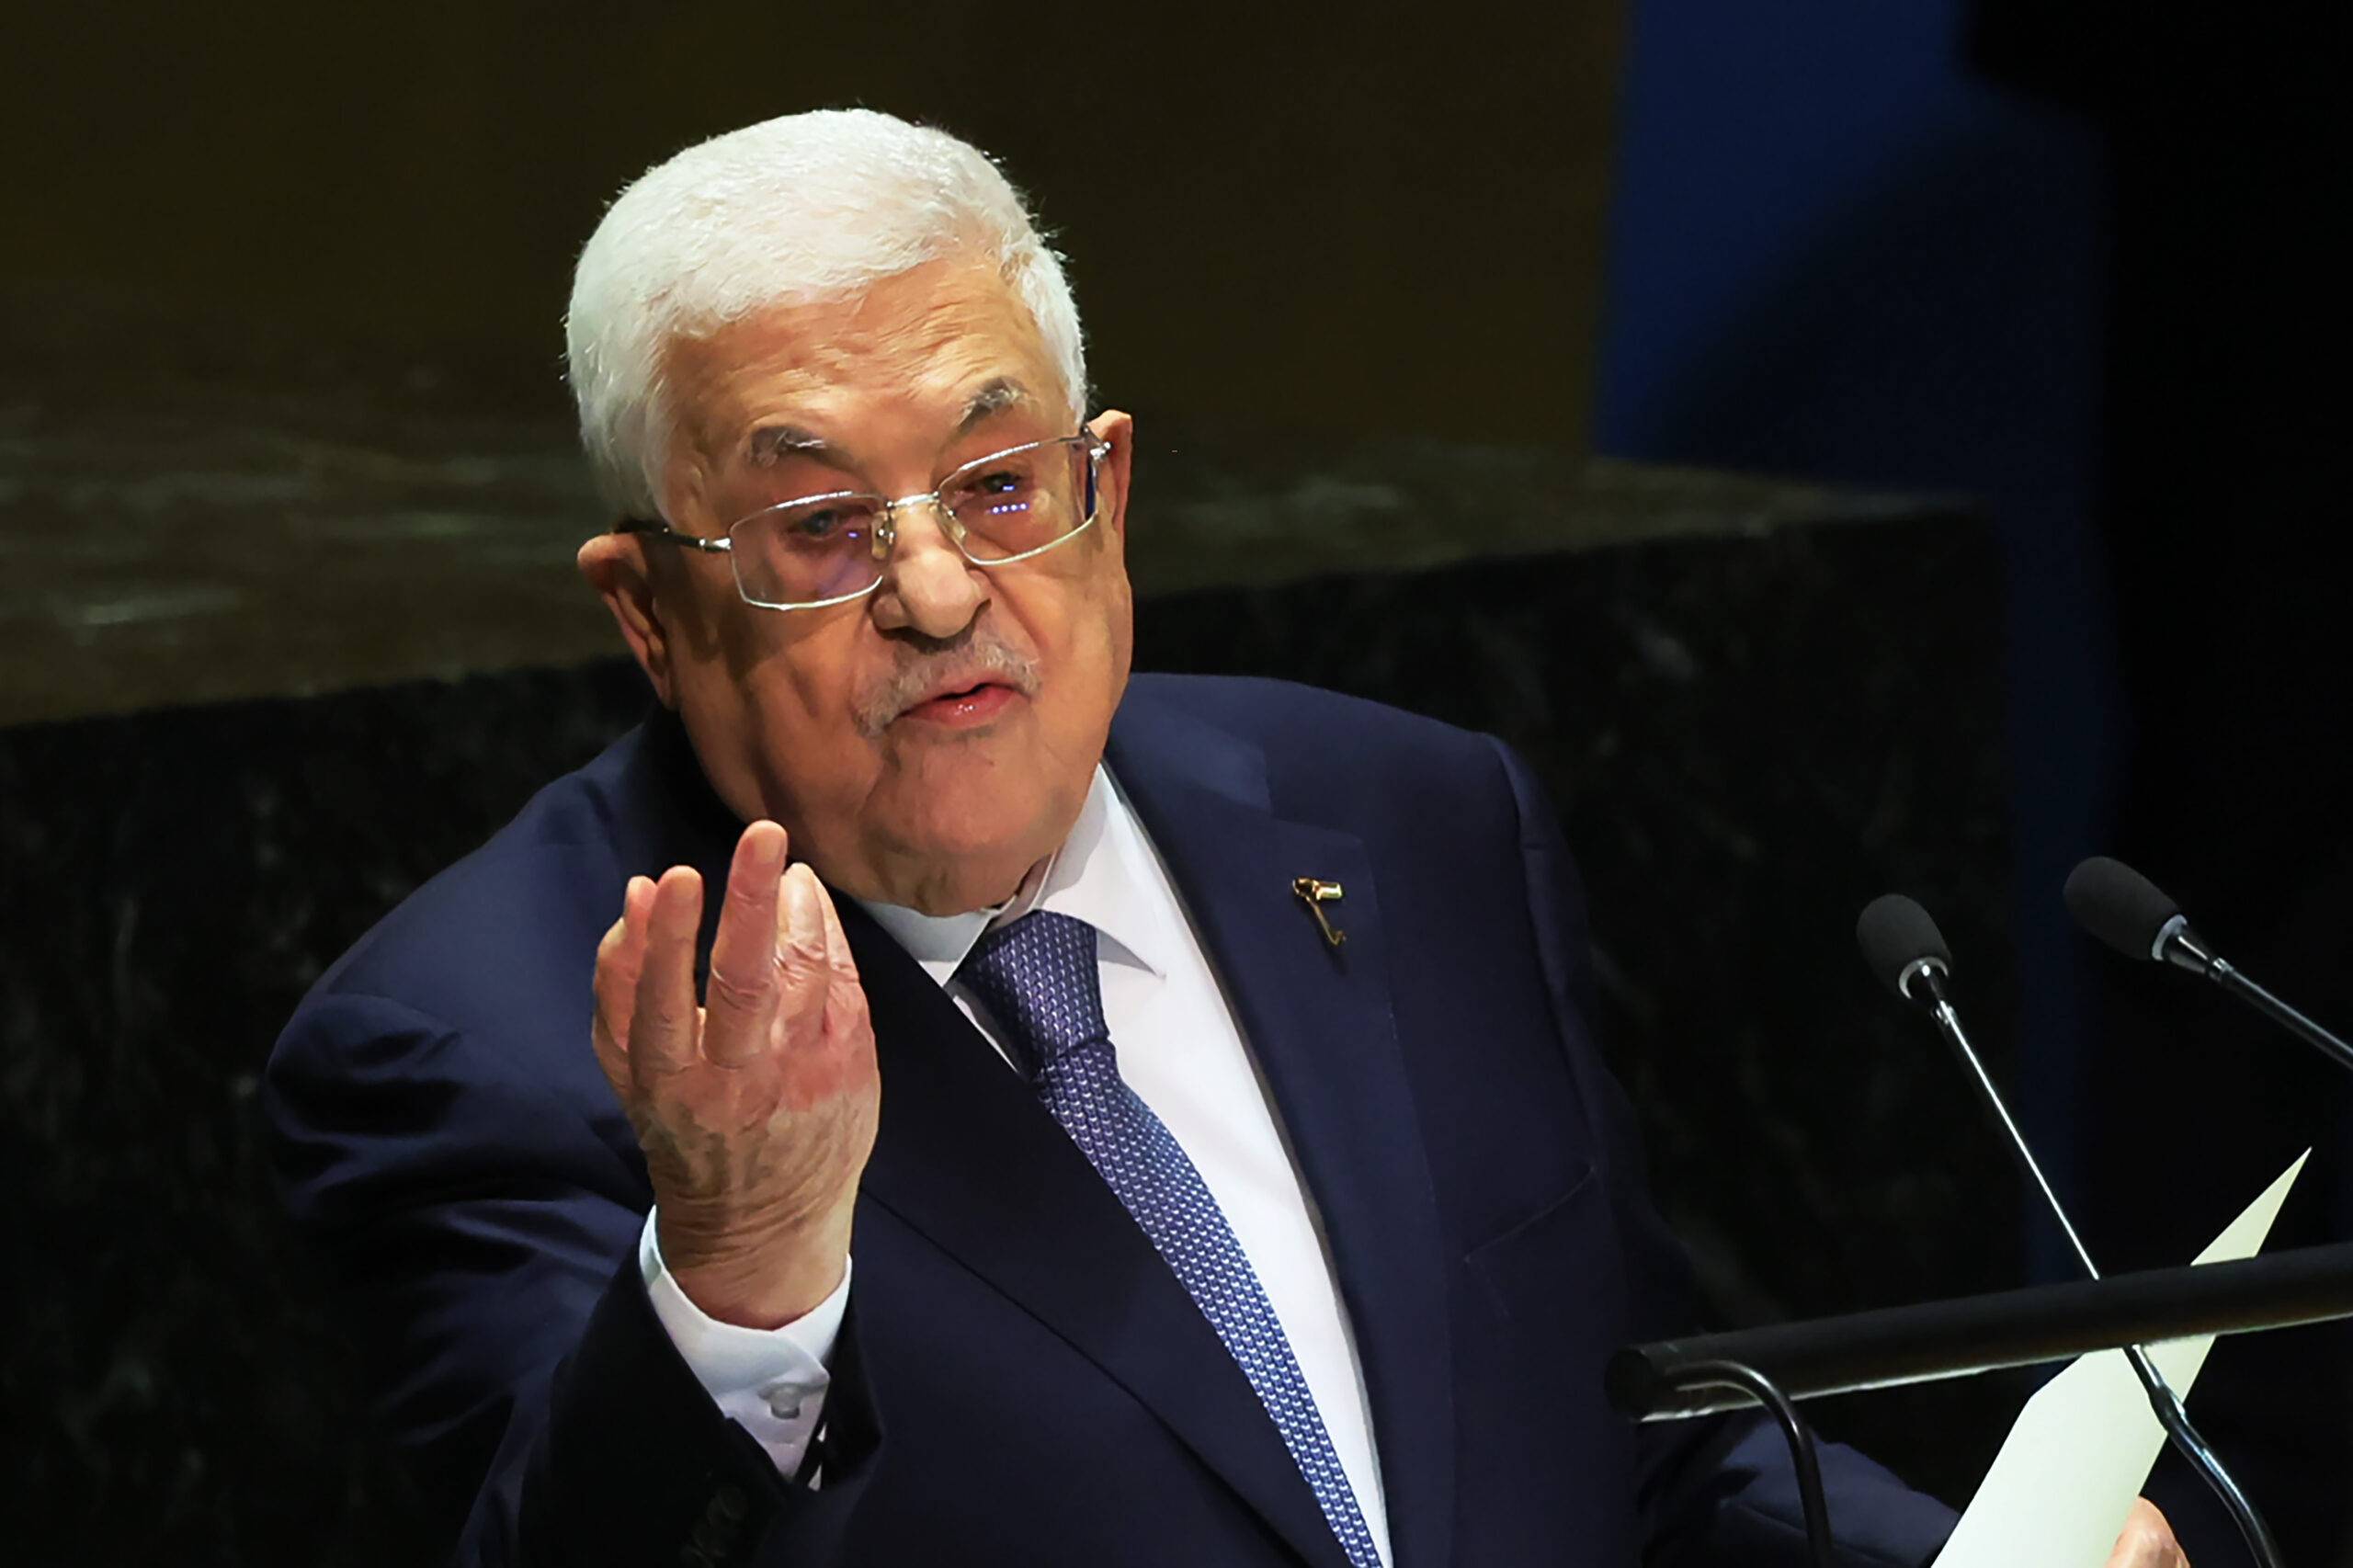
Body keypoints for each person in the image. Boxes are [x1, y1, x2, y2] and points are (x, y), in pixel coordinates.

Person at [265, 108, 2187, 1567]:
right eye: (821, 532)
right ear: (645, 610)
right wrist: (745, 1267)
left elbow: (1626, 1431)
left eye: (997, 484)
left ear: (1106, 496)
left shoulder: (1408, 819)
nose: (938, 590)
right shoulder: (483, 1042)